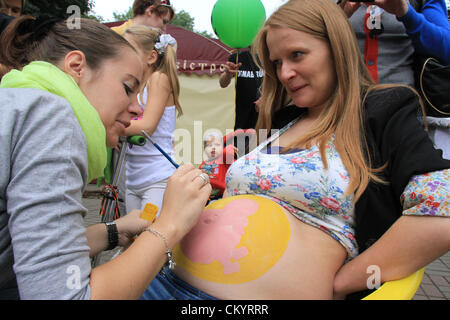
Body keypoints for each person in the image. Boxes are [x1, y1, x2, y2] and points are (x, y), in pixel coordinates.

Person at [141, 0, 449, 300]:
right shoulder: (284, 120)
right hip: (161, 277)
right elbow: (225, 182)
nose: (284, 73)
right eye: (277, 62)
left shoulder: (382, 112)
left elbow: (441, 210)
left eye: (297, 55)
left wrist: (344, 281)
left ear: (337, 49)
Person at [0, 15, 211, 300]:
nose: (137, 109)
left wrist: (113, 230)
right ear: (77, 67)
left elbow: (32, 251)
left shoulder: (19, 103)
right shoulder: (52, 116)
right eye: (128, 88)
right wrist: (169, 224)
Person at [120, 25, 181, 217]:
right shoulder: (134, 85)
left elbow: (147, 126)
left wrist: (110, 128)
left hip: (156, 178)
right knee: (133, 235)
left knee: (149, 236)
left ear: (151, 57)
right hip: (133, 177)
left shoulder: (158, 79)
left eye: (129, 51)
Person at [339, 0, 450, 86]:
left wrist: (407, 14)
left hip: (402, 106)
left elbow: (446, 50)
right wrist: (337, 17)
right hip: (343, 104)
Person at [219, 48, 264, 131]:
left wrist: (266, 100)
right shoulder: (236, 57)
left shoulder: (268, 56)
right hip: (241, 120)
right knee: (241, 143)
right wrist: (228, 74)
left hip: (264, 119)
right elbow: (222, 84)